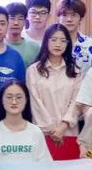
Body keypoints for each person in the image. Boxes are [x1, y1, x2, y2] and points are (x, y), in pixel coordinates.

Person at [25, 24, 82, 160]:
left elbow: (76, 102)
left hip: (68, 132)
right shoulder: (33, 70)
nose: (58, 44)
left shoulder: (75, 71)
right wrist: (52, 129)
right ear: (46, 41)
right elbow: (35, 102)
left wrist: (62, 127)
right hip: (43, 133)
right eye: (54, 40)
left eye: (63, 41)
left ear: (68, 44)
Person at [0, 80, 49, 162]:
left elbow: (45, 165)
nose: (14, 102)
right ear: (1, 100)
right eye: (9, 97)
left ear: (26, 100)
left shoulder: (36, 132)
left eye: (19, 97)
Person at [55, 0, 92, 72]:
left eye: (74, 15)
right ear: (58, 18)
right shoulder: (51, 43)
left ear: (81, 18)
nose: (69, 19)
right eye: (64, 15)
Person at [5, 2, 42, 69]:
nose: (16, 23)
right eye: (12, 18)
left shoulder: (35, 48)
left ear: (25, 22)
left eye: (20, 19)